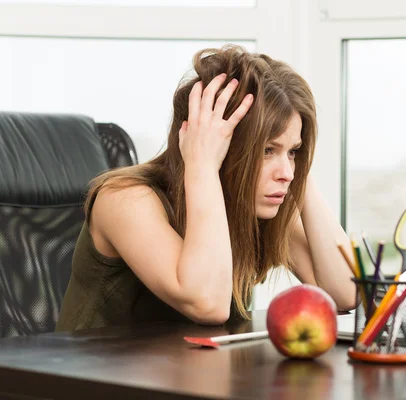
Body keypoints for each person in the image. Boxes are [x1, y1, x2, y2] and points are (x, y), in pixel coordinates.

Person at [55, 45, 357, 332]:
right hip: (88, 383)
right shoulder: (125, 200)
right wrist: (201, 164)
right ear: (215, 140)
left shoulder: (260, 203)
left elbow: (346, 293)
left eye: (292, 151)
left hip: (190, 380)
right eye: (266, 150)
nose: (286, 173)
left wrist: (301, 176)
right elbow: (207, 303)